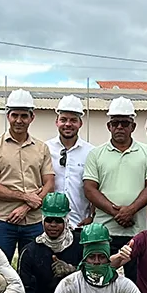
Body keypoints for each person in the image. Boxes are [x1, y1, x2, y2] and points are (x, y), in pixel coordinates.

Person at [83, 97, 147, 279]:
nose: (119, 127)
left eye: (124, 123)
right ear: (108, 126)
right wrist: (118, 213)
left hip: (136, 231)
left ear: (133, 127)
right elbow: (89, 189)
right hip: (103, 232)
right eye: (115, 123)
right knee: (100, 279)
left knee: (137, 283)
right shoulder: (96, 154)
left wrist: (131, 210)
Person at [0, 89, 55, 263]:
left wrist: (27, 207)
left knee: (34, 269)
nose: (19, 120)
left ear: (32, 117)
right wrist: (25, 197)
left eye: (24, 116)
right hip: (2, 221)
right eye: (15, 115)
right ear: (8, 116)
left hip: (34, 222)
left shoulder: (41, 148)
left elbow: (49, 184)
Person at [9, 193, 82, 293]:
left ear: (66, 219)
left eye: (58, 220)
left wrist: (74, 271)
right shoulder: (31, 250)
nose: (53, 225)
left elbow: (97, 274)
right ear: (42, 220)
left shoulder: (80, 243)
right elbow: (20, 288)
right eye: (49, 220)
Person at [46, 95, 94, 233]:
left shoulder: (91, 152)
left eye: (73, 120)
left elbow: (98, 186)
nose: (68, 124)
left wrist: (92, 216)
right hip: (50, 225)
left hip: (79, 224)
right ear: (56, 122)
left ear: (80, 123)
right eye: (63, 120)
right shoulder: (45, 149)